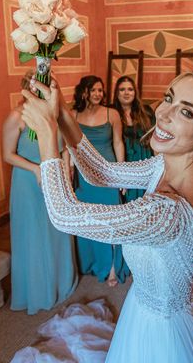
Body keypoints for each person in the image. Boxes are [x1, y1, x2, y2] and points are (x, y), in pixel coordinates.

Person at [20, 69, 193, 362]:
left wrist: (48, 138)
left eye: (187, 112)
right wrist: (61, 113)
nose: (163, 114)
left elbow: (65, 215)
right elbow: (102, 172)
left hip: (163, 332)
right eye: (169, 98)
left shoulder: (168, 211)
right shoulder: (166, 165)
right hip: (149, 303)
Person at [2, 71, 78, 315]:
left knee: (58, 228)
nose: (41, 92)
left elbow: (64, 147)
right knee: (34, 233)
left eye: (46, 87)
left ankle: (61, 282)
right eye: (36, 87)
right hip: (28, 180)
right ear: (26, 88)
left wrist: (67, 170)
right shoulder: (17, 117)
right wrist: (36, 168)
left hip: (55, 177)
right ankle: (38, 291)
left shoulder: (54, 116)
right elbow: (8, 154)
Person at [71, 75, 129, 287]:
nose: (98, 94)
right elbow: (69, 147)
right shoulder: (73, 114)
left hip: (108, 173)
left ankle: (113, 267)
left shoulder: (111, 113)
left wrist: (121, 174)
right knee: (88, 221)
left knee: (110, 221)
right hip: (84, 176)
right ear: (84, 92)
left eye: (100, 91)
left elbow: (118, 143)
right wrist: (69, 173)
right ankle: (92, 262)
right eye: (93, 90)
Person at [112, 75, 155, 202]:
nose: (126, 93)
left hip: (144, 158)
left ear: (135, 92)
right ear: (117, 93)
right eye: (122, 89)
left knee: (146, 198)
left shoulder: (145, 111)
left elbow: (154, 137)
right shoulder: (111, 112)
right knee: (127, 198)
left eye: (130, 89)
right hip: (124, 159)